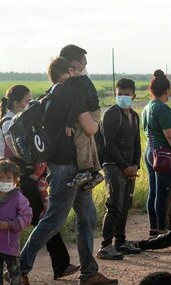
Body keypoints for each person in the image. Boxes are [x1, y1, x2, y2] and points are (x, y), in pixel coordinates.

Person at [18, 56, 118, 285]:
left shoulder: (49, 95)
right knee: (54, 219)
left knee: (87, 217)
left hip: (64, 166)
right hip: (68, 168)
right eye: (78, 67)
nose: (81, 71)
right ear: (71, 70)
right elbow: (92, 127)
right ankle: (19, 269)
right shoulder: (72, 93)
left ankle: (89, 273)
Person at [0, 85, 79, 285]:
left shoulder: (14, 121)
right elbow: (19, 150)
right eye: (26, 101)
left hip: (17, 176)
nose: (29, 105)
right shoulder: (10, 124)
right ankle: (57, 265)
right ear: (15, 103)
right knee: (43, 219)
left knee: (12, 219)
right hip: (19, 176)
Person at [97, 78, 143, 261]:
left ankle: (121, 242)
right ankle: (106, 245)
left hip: (129, 167)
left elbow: (137, 142)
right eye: (119, 94)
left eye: (126, 94)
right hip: (112, 164)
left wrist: (136, 165)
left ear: (134, 95)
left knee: (126, 204)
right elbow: (109, 144)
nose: (123, 97)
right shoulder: (111, 114)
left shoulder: (135, 116)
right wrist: (125, 167)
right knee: (114, 204)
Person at [142, 69, 171, 236]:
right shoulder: (163, 109)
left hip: (150, 152)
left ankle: (154, 228)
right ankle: (162, 230)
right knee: (164, 192)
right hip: (164, 156)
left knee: (154, 191)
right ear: (167, 90)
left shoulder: (147, 107)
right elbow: (170, 134)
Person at [59, 45, 104, 190]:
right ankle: (95, 171)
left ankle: (84, 170)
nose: (85, 67)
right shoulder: (78, 81)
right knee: (87, 139)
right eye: (84, 64)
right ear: (74, 63)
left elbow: (78, 104)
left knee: (80, 136)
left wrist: (70, 122)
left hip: (90, 112)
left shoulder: (79, 82)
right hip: (91, 111)